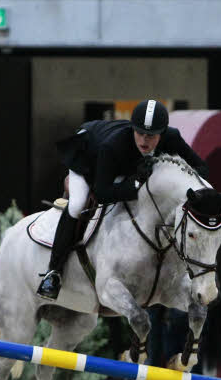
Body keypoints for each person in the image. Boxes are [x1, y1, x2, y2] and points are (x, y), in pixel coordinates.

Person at [37, 99, 210, 301]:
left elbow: (201, 169)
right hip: (90, 157)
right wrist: (136, 183)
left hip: (124, 168)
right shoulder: (113, 146)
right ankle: (53, 273)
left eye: (151, 136)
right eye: (140, 133)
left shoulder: (172, 137)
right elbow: (102, 192)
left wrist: (174, 177)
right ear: (133, 129)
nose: (144, 141)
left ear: (162, 133)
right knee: (77, 205)